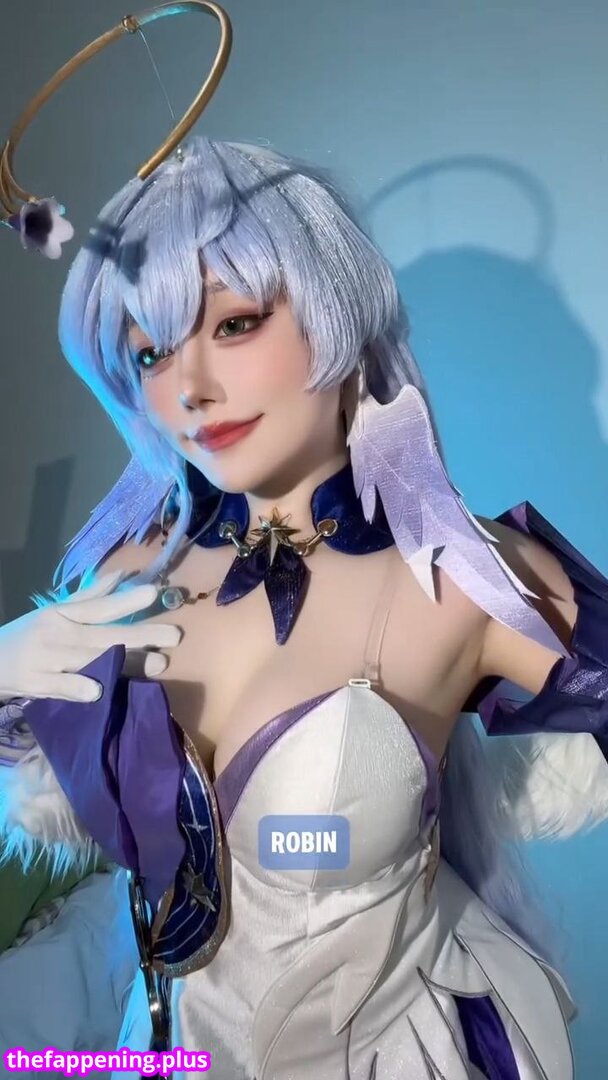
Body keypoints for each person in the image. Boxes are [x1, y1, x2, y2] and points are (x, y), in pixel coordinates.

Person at [1, 135, 607, 1080]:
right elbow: (55, 812)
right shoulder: (123, 573)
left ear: (339, 315)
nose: (191, 390)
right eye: (152, 350)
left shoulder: (457, 576)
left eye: (236, 323)